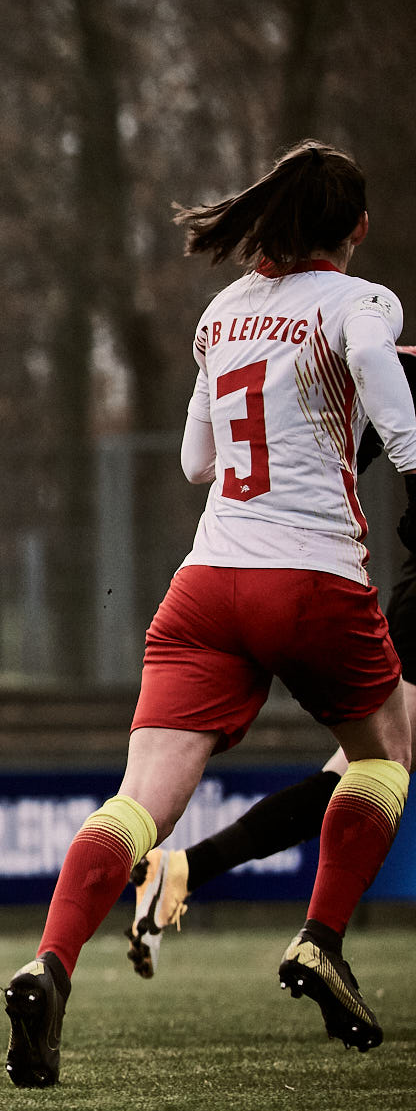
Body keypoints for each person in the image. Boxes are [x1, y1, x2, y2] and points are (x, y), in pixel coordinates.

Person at [3, 140, 415, 1088]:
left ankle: (51, 961)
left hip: (205, 583)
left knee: (139, 803)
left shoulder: (223, 311)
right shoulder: (363, 303)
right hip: (311, 579)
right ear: (355, 227)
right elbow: (391, 412)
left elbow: (199, 465)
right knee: (386, 756)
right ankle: (320, 938)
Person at [127, 348, 416, 977]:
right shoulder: (384, 357)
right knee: (372, 767)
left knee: (360, 772)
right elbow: (334, 444)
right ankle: (310, 937)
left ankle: (185, 870)